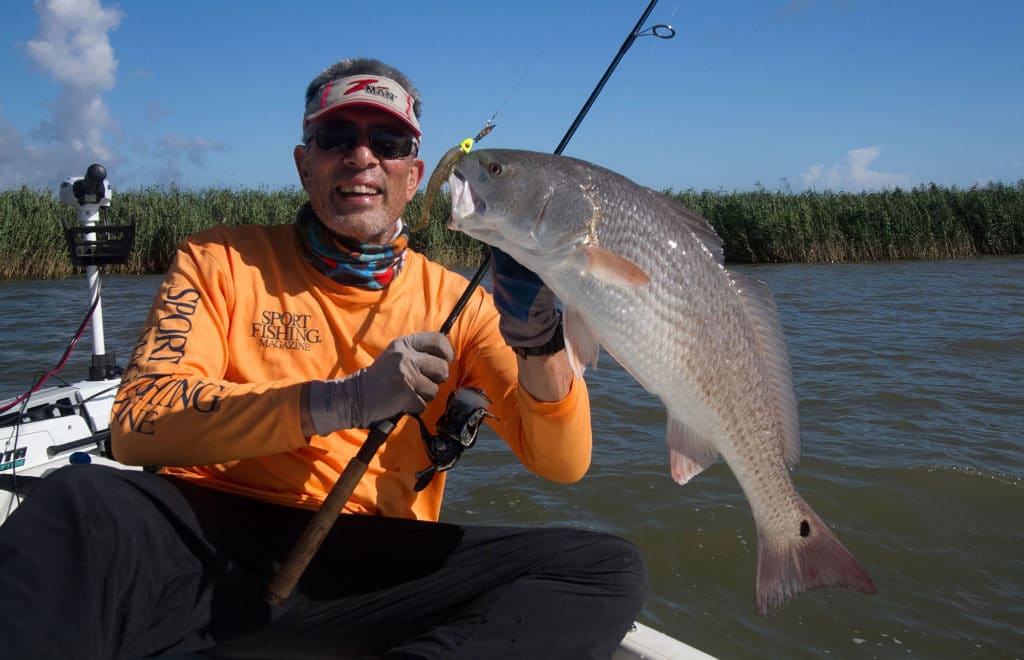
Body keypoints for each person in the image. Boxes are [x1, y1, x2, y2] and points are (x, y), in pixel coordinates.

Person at [0, 58, 646, 658]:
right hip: (202, 532)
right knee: (78, 498)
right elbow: (140, 425)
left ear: (413, 174)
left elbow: (563, 464)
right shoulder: (218, 258)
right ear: (305, 163)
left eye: (388, 145)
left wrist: (537, 336)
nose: (361, 157)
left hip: (365, 559)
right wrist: (342, 400)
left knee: (601, 571)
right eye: (338, 137)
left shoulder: (466, 302)